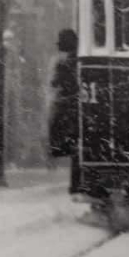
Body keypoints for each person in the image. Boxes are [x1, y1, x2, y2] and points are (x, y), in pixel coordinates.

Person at [48, 28, 79, 194]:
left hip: (70, 106)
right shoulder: (77, 58)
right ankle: (75, 184)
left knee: (75, 145)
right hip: (77, 105)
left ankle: (57, 146)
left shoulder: (64, 62)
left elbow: (55, 83)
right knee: (78, 147)